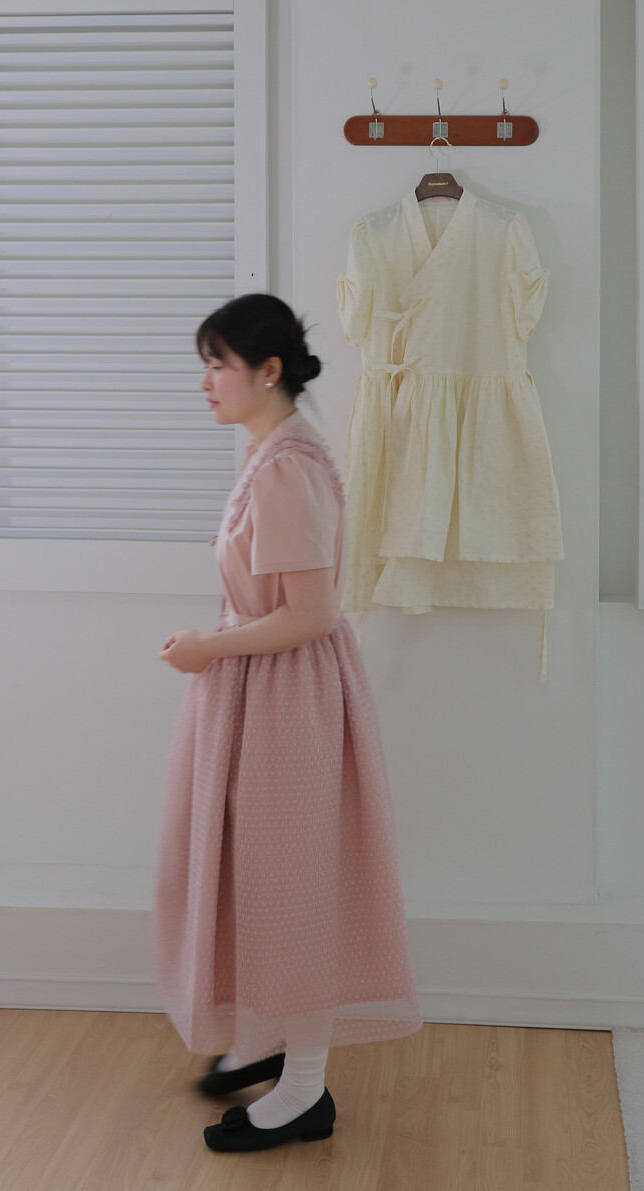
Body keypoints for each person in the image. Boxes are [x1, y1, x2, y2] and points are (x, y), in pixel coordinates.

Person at [153, 293, 423, 1155]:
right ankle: (266, 1040)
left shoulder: (285, 468)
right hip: (264, 691)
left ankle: (304, 1088)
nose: (205, 382)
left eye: (218, 365)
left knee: (292, 882)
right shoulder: (273, 453)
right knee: (258, 872)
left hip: (284, 698)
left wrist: (207, 646)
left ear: (268, 371)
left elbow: (310, 613)